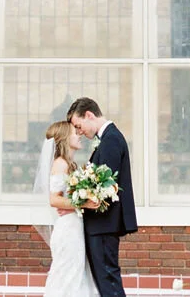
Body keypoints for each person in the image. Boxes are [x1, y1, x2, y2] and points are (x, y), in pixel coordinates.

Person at [66, 97, 137, 297]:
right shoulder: (107, 139)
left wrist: (78, 199)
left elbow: (106, 187)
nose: (79, 132)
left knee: (109, 284)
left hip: (104, 225)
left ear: (89, 115)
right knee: (105, 283)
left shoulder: (111, 139)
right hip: (102, 225)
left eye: (79, 126)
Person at [38, 120, 99, 297]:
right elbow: (54, 199)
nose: (79, 134)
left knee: (76, 277)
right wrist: (84, 203)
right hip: (68, 230)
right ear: (65, 138)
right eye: (74, 132)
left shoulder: (70, 164)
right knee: (66, 277)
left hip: (75, 227)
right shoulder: (60, 163)